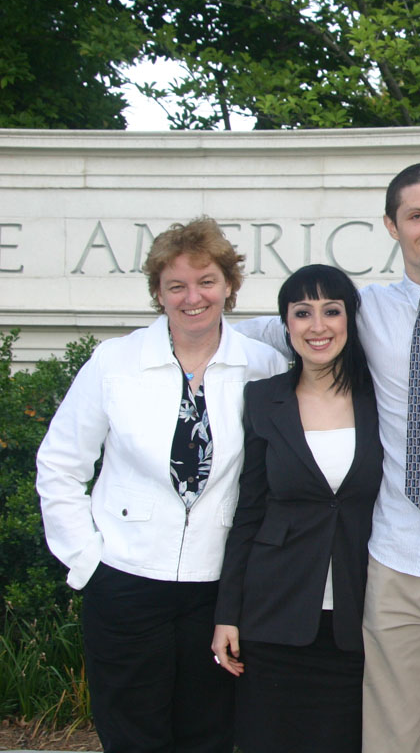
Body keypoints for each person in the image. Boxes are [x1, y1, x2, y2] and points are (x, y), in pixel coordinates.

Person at [236, 163, 420, 753]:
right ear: (392, 226)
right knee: (394, 738)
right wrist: (183, 331)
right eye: (417, 216)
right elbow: (273, 329)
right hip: (391, 559)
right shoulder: (362, 311)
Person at [35, 218, 288, 753]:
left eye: (206, 281)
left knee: (209, 736)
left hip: (216, 591)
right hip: (124, 582)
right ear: (158, 293)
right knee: (132, 737)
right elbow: (60, 465)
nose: (192, 298)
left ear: (229, 285)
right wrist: (88, 564)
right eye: (176, 285)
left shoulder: (264, 367)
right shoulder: (114, 362)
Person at [211, 264, 383, 753]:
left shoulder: (381, 399)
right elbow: (248, 511)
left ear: (350, 319)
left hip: (358, 617)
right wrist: (227, 614)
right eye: (302, 312)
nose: (317, 326)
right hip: (274, 615)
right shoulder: (263, 399)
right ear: (286, 323)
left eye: (332, 311)